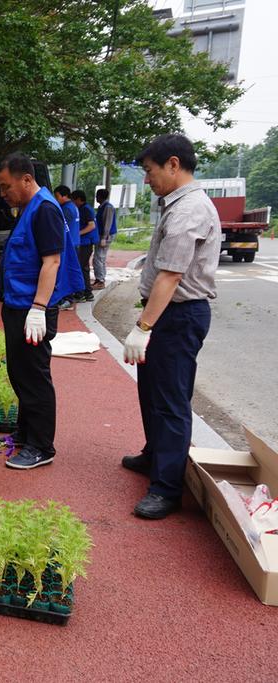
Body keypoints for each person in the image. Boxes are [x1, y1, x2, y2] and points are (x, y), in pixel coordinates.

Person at [122, 134, 220, 520]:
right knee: (151, 389)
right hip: (166, 314)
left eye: (149, 171)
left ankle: (166, 488)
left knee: (170, 400)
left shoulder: (189, 210)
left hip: (178, 316)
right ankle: (154, 455)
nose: (147, 179)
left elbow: (170, 276)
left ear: (173, 165)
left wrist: (144, 327)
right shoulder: (176, 205)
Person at [0, 154, 83, 470]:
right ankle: (26, 431)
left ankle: (41, 446)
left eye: (6, 187)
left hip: (32, 310)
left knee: (34, 376)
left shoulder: (45, 209)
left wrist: (38, 309)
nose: (4, 194)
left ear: (26, 180)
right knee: (20, 372)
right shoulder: (31, 208)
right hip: (18, 305)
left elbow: (52, 261)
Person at [53, 185, 82, 310]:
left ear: (64, 196)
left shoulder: (65, 209)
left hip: (68, 244)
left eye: (57, 196)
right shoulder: (74, 207)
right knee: (71, 269)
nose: (56, 199)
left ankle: (68, 299)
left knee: (65, 271)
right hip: (75, 242)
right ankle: (70, 298)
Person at [72, 190, 98, 302]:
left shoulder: (86, 209)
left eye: (73, 200)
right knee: (84, 268)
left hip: (86, 243)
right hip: (84, 242)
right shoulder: (83, 209)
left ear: (78, 199)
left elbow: (91, 225)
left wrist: (78, 233)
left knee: (81, 268)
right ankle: (87, 293)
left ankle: (81, 293)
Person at [92, 188, 117, 289]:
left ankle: (100, 280)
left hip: (106, 235)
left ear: (100, 196)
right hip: (103, 235)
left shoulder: (107, 207)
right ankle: (100, 278)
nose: (96, 198)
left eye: (97, 196)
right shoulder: (102, 207)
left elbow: (107, 223)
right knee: (99, 258)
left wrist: (104, 238)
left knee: (99, 258)